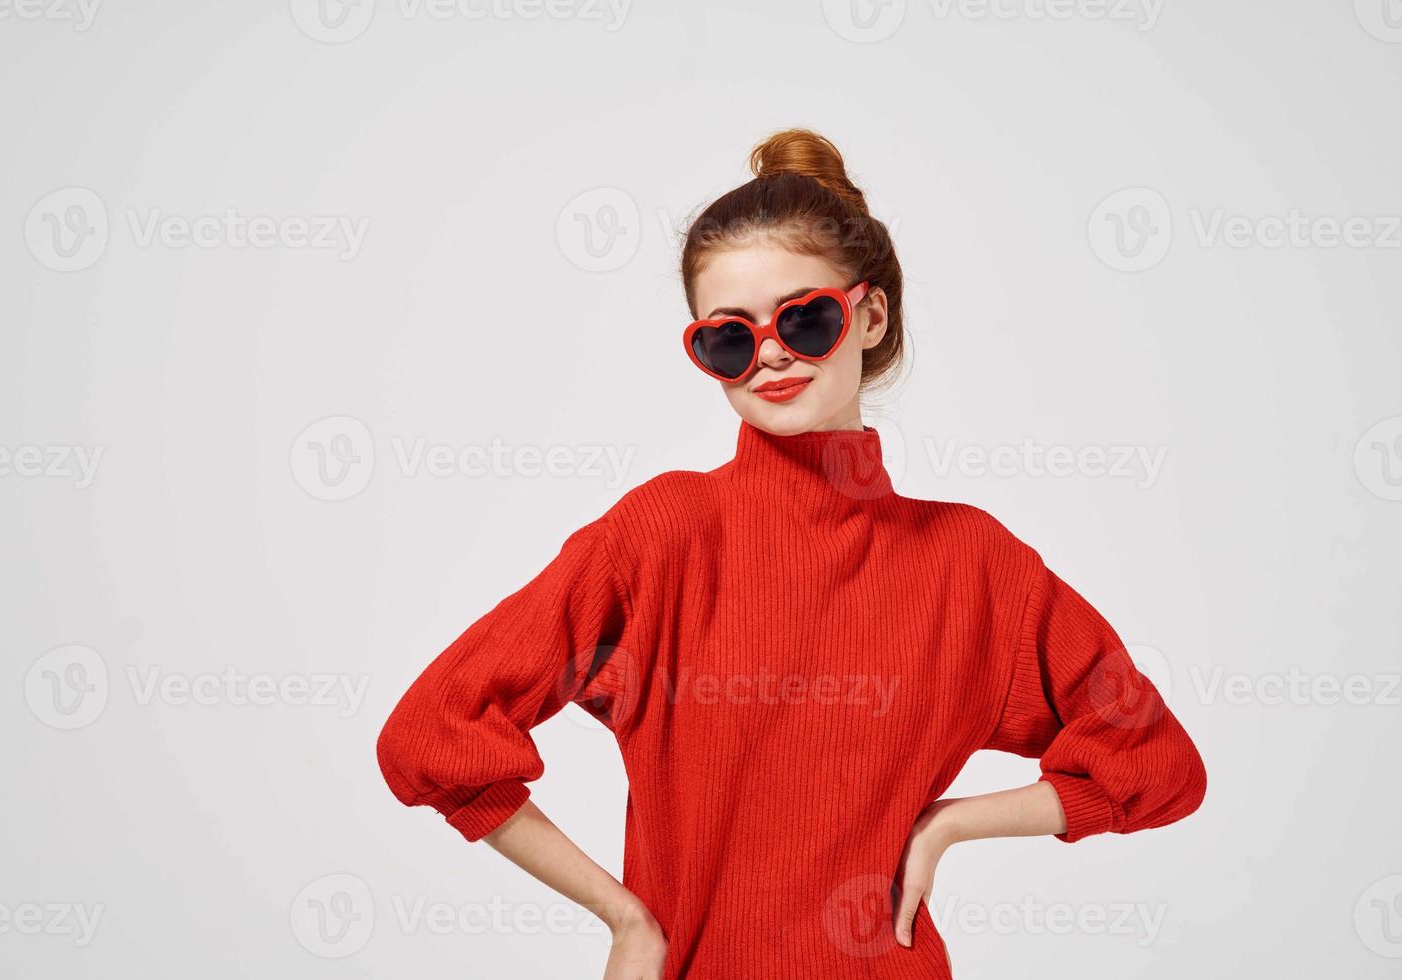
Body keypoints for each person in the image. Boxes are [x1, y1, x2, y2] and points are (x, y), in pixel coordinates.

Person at [376, 127, 1207, 979]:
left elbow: (1155, 764)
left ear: (871, 314)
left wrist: (948, 822)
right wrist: (625, 920)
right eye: (728, 337)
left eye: (806, 319)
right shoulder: (662, 538)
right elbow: (432, 735)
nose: (769, 351)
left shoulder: (975, 564)